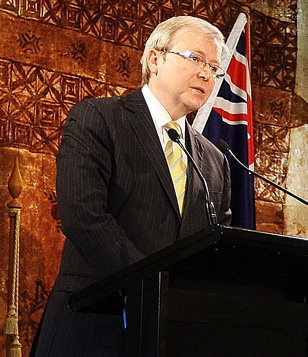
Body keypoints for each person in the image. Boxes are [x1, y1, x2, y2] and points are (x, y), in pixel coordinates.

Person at [30, 16, 232, 356]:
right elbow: (84, 215)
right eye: (195, 58)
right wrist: (150, 287)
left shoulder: (215, 159)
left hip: (172, 334)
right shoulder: (99, 118)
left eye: (214, 68)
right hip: (94, 322)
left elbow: (216, 245)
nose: (206, 74)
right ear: (155, 59)